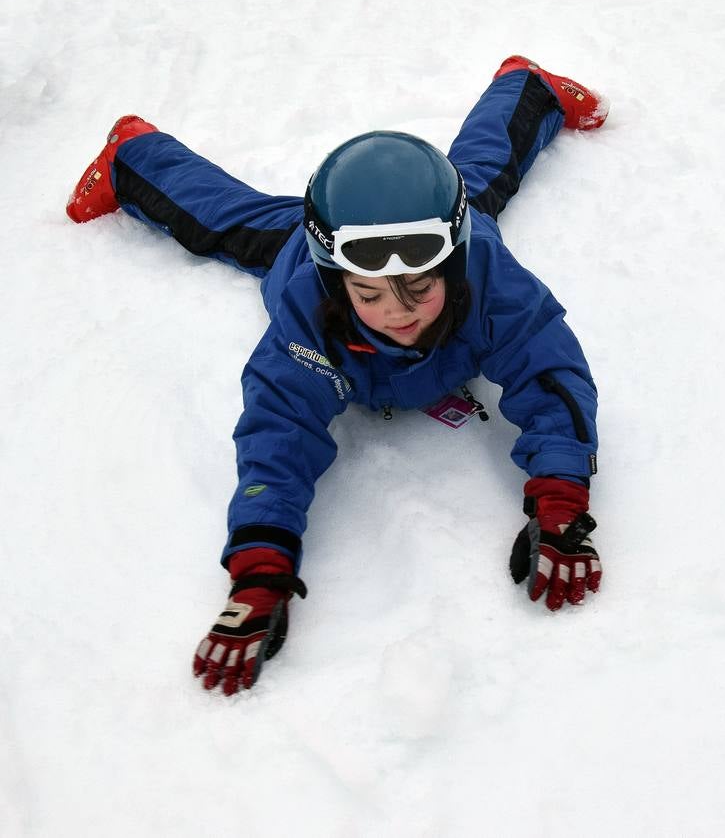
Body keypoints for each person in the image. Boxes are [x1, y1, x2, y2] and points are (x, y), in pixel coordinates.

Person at [66, 55, 609, 696]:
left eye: (419, 286)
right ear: (333, 278)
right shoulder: (308, 302)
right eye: (369, 293)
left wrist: (561, 496)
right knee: (228, 222)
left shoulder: (488, 277)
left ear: (454, 260)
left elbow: (550, 374)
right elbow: (279, 432)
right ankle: (134, 158)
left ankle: (529, 86)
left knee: (485, 173)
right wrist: (260, 568)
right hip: (304, 243)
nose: (396, 313)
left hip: (452, 222)